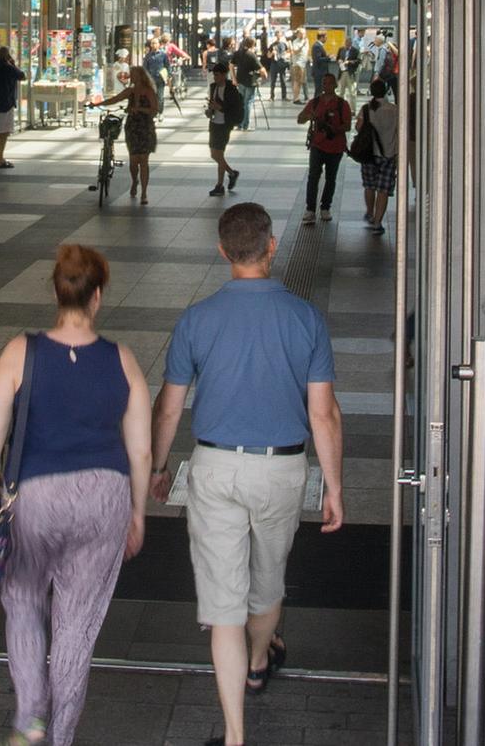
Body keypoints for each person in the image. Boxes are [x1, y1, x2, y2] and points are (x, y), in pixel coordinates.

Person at [147, 203, 344, 746]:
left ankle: (235, 737)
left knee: (223, 605)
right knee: (268, 581)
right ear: (272, 246)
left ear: (222, 252)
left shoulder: (197, 318)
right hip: (282, 468)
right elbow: (323, 413)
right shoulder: (304, 318)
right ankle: (260, 658)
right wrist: (333, 485)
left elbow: (168, 408)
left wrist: (159, 467)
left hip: (212, 468)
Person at [0, 244, 151, 746]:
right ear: (97, 298)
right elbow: (140, 451)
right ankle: (61, 738)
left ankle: (30, 715)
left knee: (25, 601)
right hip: (105, 497)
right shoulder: (122, 360)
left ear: (56, 292)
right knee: (76, 627)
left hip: (35, 496)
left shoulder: (19, 352)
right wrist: (136, 513)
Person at [91, 63, 161, 205]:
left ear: (140, 76)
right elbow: (115, 99)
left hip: (145, 127)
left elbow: (155, 110)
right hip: (133, 127)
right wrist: (98, 104)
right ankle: (135, 181)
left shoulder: (149, 91)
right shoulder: (130, 91)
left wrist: (140, 109)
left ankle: (144, 193)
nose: (131, 76)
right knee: (134, 160)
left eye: (133, 74)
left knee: (144, 161)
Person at [295, 73, 353, 223]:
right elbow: (300, 119)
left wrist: (332, 128)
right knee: (313, 177)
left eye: (329, 83)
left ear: (335, 85)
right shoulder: (314, 103)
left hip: (336, 147)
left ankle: (325, 207)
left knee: (331, 178)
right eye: (324, 83)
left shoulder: (342, 104)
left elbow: (347, 126)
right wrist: (310, 117)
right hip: (317, 145)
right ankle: (310, 209)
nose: (326, 86)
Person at [356, 78, 399, 233]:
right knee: (383, 189)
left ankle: (370, 212)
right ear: (385, 90)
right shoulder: (394, 110)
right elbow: (400, 132)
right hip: (388, 154)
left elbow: (358, 127)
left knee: (369, 186)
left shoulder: (366, 108)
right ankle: (377, 222)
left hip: (369, 154)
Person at [206, 59, 244, 198]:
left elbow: (233, 108)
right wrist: (210, 110)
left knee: (218, 154)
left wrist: (219, 107)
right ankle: (232, 173)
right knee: (214, 154)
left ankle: (220, 185)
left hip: (225, 124)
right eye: (214, 75)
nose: (215, 77)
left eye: (217, 75)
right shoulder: (213, 87)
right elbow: (212, 103)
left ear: (224, 75)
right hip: (214, 122)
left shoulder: (231, 89)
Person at [0, 45, 26, 169]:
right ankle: (0, 159)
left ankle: (1, 158)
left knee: (1, 131)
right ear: (7, 55)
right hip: (6, 103)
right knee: (4, 132)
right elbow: (23, 76)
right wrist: (13, 64)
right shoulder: (10, 68)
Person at [230, 38, 262, 130]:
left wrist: (234, 78)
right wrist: (263, 76)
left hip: (239, 80)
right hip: (250, 81)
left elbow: (231, 65)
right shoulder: (251, 55)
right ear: (252, 45)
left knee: (241, 102)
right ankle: (245, 125)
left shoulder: (237, 53)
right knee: (247, 102)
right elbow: (261, 69)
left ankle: (239, 124)